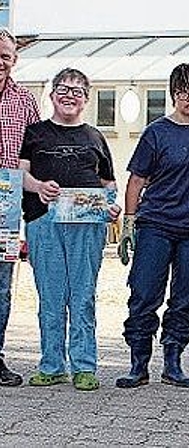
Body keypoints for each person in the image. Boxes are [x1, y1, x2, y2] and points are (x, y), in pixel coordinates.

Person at [19, 68, 121, 391]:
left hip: (86, 225)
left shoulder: (96, 137)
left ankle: (84, 366)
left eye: (77, 92)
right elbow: (21, 175)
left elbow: (109, 183)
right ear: (51, 96)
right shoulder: (34, 133)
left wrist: (111, 206)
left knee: (82, 295)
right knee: (50, 297)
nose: (69, 96)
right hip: (42, 221)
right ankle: (51, 365)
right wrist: (38, 187)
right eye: (63, 89)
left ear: (86, 100)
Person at [115, 63, 189, 389]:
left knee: (185, 298)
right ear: (173, 95)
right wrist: (129, 224)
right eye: (184, 93)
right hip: (156, 224)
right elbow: (136, 180)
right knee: (143, 293)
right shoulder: (156, 132)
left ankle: (173, 362)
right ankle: (138, 363)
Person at [0, 28, 40, 387]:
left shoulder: (25, 101)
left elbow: (38, 156)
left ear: (14, 60)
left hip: (7, 215)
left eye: (5, 56)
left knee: (1, 286)